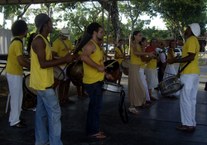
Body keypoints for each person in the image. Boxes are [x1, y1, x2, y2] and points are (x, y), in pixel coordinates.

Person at [30, 13, 73, 145]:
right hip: (44, 85)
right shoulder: (39, 40)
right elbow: (43, 64)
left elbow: (48, 59)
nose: (52, 25)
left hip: (42, 85)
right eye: (50, 23)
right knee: (55, 115)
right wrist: (64, 60)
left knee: (41, 115)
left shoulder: (44, 39)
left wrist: (63, 59)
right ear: (45, 24)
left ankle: (42, 141)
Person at [167, 23, 200, 132]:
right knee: (191, 99)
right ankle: (191, 123)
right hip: (194, 73)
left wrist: (175, 60)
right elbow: (190, 57)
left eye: (188, 28)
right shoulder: (195, 40)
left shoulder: (191, 40)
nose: (186, 29)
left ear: (192, 30)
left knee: (185, 99)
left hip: (189, 74)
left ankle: (187, 124)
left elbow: (190, 57)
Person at [80, 22, 106, 139]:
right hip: (92, 82)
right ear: (94, 33)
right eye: (101, 32)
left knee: (95, 107)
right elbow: (83, 57)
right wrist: (97, 67)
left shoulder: (96, 45)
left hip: (97, 80)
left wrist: (105, 73)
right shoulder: (91, 44)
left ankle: (93, 130)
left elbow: (99, 62)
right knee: (95, 108)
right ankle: (93, 132)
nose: (103, 34)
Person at [6, 20, 30, 128]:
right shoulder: (18, 43)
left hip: (14, 72)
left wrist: (28, 62)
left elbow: (21, 58)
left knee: (18, 96)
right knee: (16, 97)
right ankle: (15, 121)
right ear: (24, 31)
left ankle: (14, 118)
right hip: (14, 73)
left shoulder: (15, 41)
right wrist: (32, 67)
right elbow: (21, 61)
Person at [128, 31, 154, 114]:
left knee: (139, 87)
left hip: (138, 66)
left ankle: (137, 103)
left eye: (141, 36)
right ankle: (132, 106)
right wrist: (147, 53)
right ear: (135, 36)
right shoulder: (132, 43)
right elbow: (135, 53)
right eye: (139, 35)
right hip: (134, 67)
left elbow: (140, 55)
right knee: (134, 87)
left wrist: (147, 53)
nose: (140, 37)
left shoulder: (139, 45)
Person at [52, 28, 75, 104]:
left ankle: (66, 97)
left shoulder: (68, 41)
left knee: (68, 81)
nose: (66, 37)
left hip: (68, 65)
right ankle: (61, 99)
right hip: (60, 66)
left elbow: (71, 51)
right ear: (61, 35)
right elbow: (53, 56)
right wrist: (63, 59)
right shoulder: (56, 43)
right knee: (61, 82)